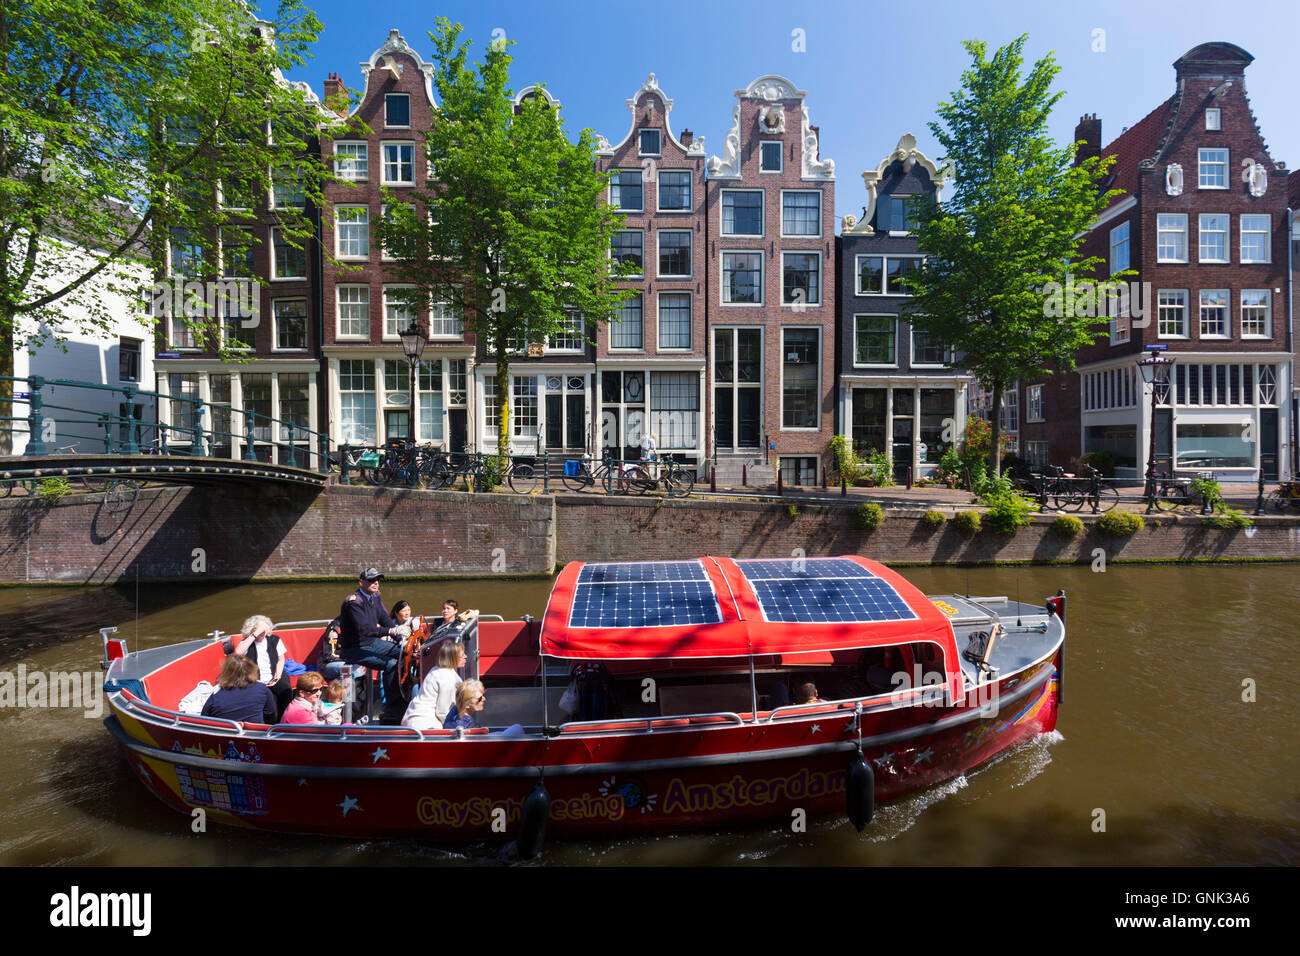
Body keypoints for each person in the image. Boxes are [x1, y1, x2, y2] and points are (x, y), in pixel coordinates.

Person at [338, 567, 411, 714]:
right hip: (354, 648)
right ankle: (392, 707)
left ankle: (405, 696)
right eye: (371, 580)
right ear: (361, 582)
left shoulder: (375, 596)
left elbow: (384, 618)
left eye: (377, 580)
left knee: (405, 652)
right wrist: (393, 631)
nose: (375, 583)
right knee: (391, 664)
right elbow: (366, 629)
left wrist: (399, 639)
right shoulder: (354, 602)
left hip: (371, 643)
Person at [235, 614, 292, 718]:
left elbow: (281, 659)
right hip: (256, 680)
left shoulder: (275, 640)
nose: (263, 631)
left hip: (274, 676)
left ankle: (286, 718)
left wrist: (278, 674)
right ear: (252, 630)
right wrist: (255, 634)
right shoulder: (247, 643)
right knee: (271, 709)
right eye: (259, 629)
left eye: (265, 628)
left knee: (286, 689)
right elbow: (238, 653)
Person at [401, 640, 465, 731]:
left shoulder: (438, 670)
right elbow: (443, 712)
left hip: (413, 721)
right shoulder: (446, 677)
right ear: (453, 657)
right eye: (462, 655)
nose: (466, 657)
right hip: (425, 725)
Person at [201, 655, 277, 724]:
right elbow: (270, 715)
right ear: (252, 669)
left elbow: (204, 718)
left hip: (226, 735)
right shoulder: (262, 690)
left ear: (226, 672)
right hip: (256, 735)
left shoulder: (216, 696)